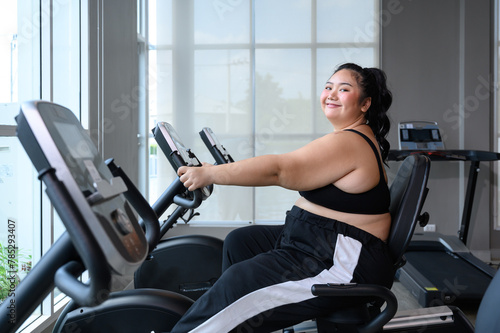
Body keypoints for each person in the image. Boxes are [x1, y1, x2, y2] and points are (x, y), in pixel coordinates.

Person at [171, 62, 393, 333]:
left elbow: (280, 170)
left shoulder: (350, 142)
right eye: (328, 87)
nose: (332, 94)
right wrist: (214, 171)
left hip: (339, 260)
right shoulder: (349, 138)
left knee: (237, 284)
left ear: (365, 104)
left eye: (344, 89)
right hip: (318, 241)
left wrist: (212, 174)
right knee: (241, 242)